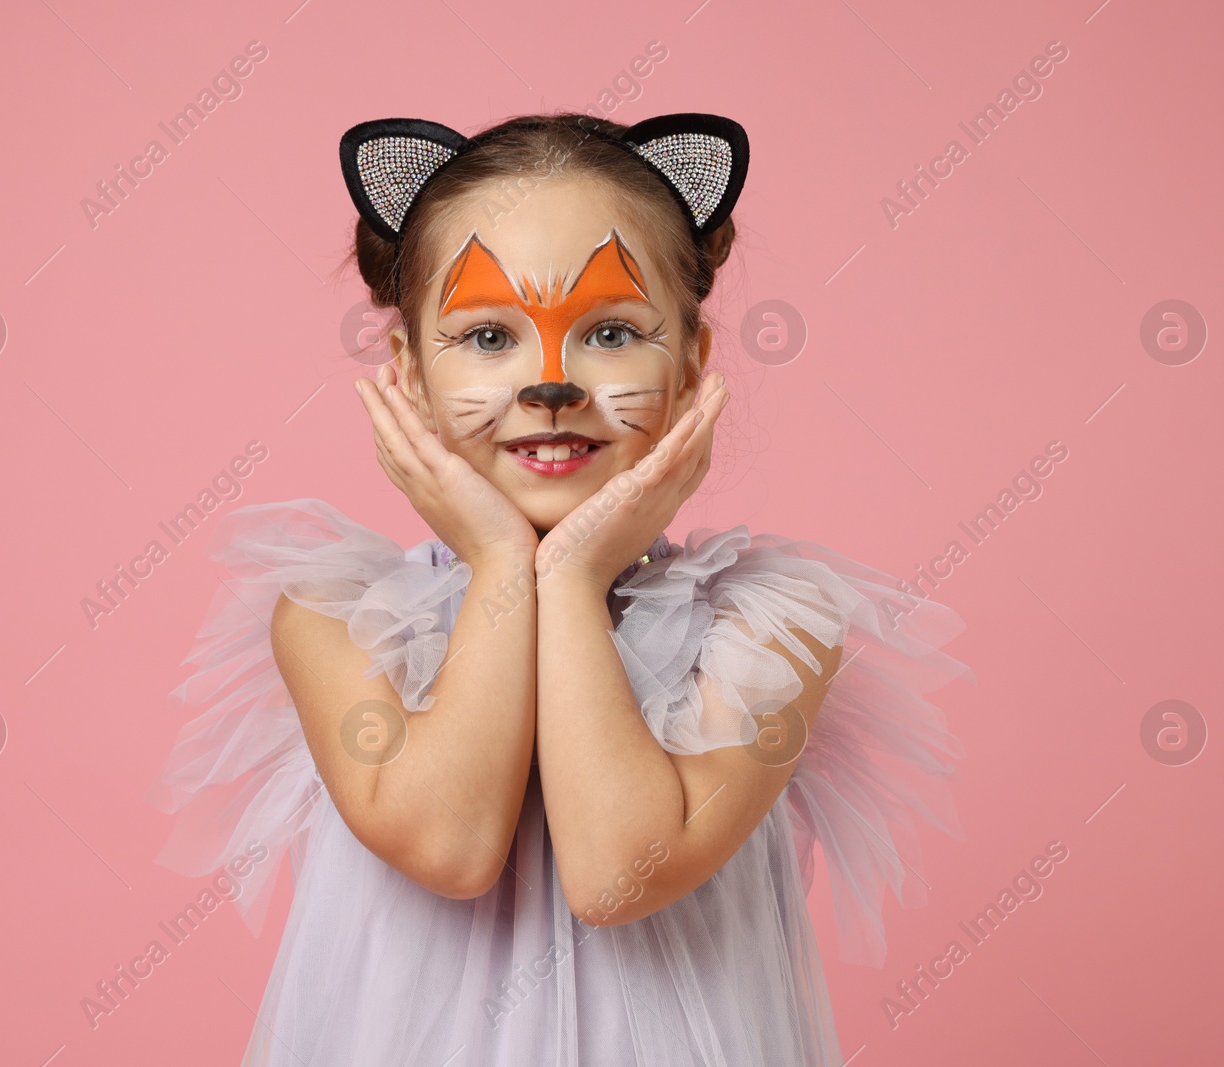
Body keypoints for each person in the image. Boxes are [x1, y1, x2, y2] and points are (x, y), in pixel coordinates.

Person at [150, 111, 971, 1066]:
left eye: (612, 332)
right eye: (489, 336)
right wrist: (504, 564)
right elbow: (450, 846)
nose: (549, 384)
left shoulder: (774, 630)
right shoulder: (339, 620)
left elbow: (619, 874)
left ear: (695, 362)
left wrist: (572, 577)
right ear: (410, 375)